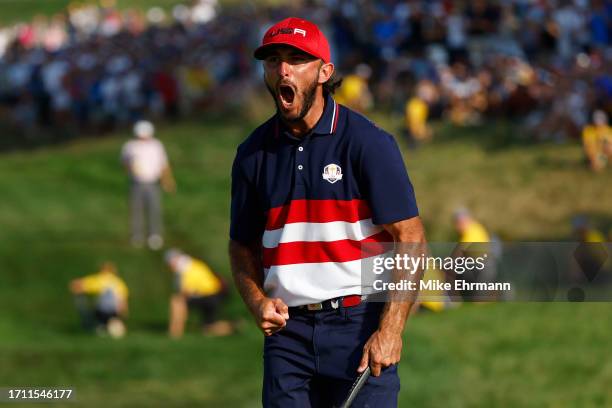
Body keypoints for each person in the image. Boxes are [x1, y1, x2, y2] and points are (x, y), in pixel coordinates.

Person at [229, 17, 426, 407]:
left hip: (359, 324)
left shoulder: (368, 142)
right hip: (288, 336)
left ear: (324, 71)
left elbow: (411, 238)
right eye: (273, 61)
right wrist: (256, 303)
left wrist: (390, 331)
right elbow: (241, 247)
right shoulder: (252, 153)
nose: (283, 69)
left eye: (296, 59)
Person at [121, 120, 176, 250]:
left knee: (154, 209)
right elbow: (124, 163)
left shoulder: (157, 145)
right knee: (136, 209)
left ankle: (155, 235)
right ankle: (137, 235)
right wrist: (130, 167)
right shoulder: (130, 146)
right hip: (136, 182)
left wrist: (168, 180)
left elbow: (163, 165)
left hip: (152, 182)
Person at [165, 249, 233, 338]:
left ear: (175, 260)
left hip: (210, 297)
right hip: (213, 296)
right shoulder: (192, 264)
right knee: (208, 329)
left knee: (177, 301)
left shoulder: (186, 268)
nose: (169, 266)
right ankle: (232, 326)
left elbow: (185, 292)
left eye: (170, 263)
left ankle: (175, 333)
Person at [69, 261, 129, 338]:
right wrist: (123, 314)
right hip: (114, 312)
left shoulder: (101, 279)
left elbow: (78, 285)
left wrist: (77, 289)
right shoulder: (119, 282)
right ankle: (110, 324)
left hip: (102, 310)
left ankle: (97, 325)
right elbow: (123, 301)